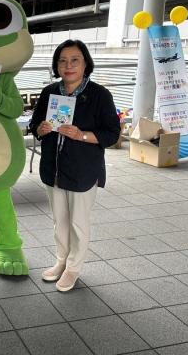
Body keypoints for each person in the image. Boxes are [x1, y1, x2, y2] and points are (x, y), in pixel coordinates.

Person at [29, 39, 120, 292]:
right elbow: (34, 126)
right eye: (62, 60)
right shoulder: (50, 93)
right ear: (56, 65)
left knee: (78, 223)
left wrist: (81, 135)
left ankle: (73, 268)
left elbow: (112, 134)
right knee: (59, 221)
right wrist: (41, 128)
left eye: (74, 60)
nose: (68, 66)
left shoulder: (100, 95)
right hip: (53, 168)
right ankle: (61, 260)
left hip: (83, 170)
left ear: (85, 64)